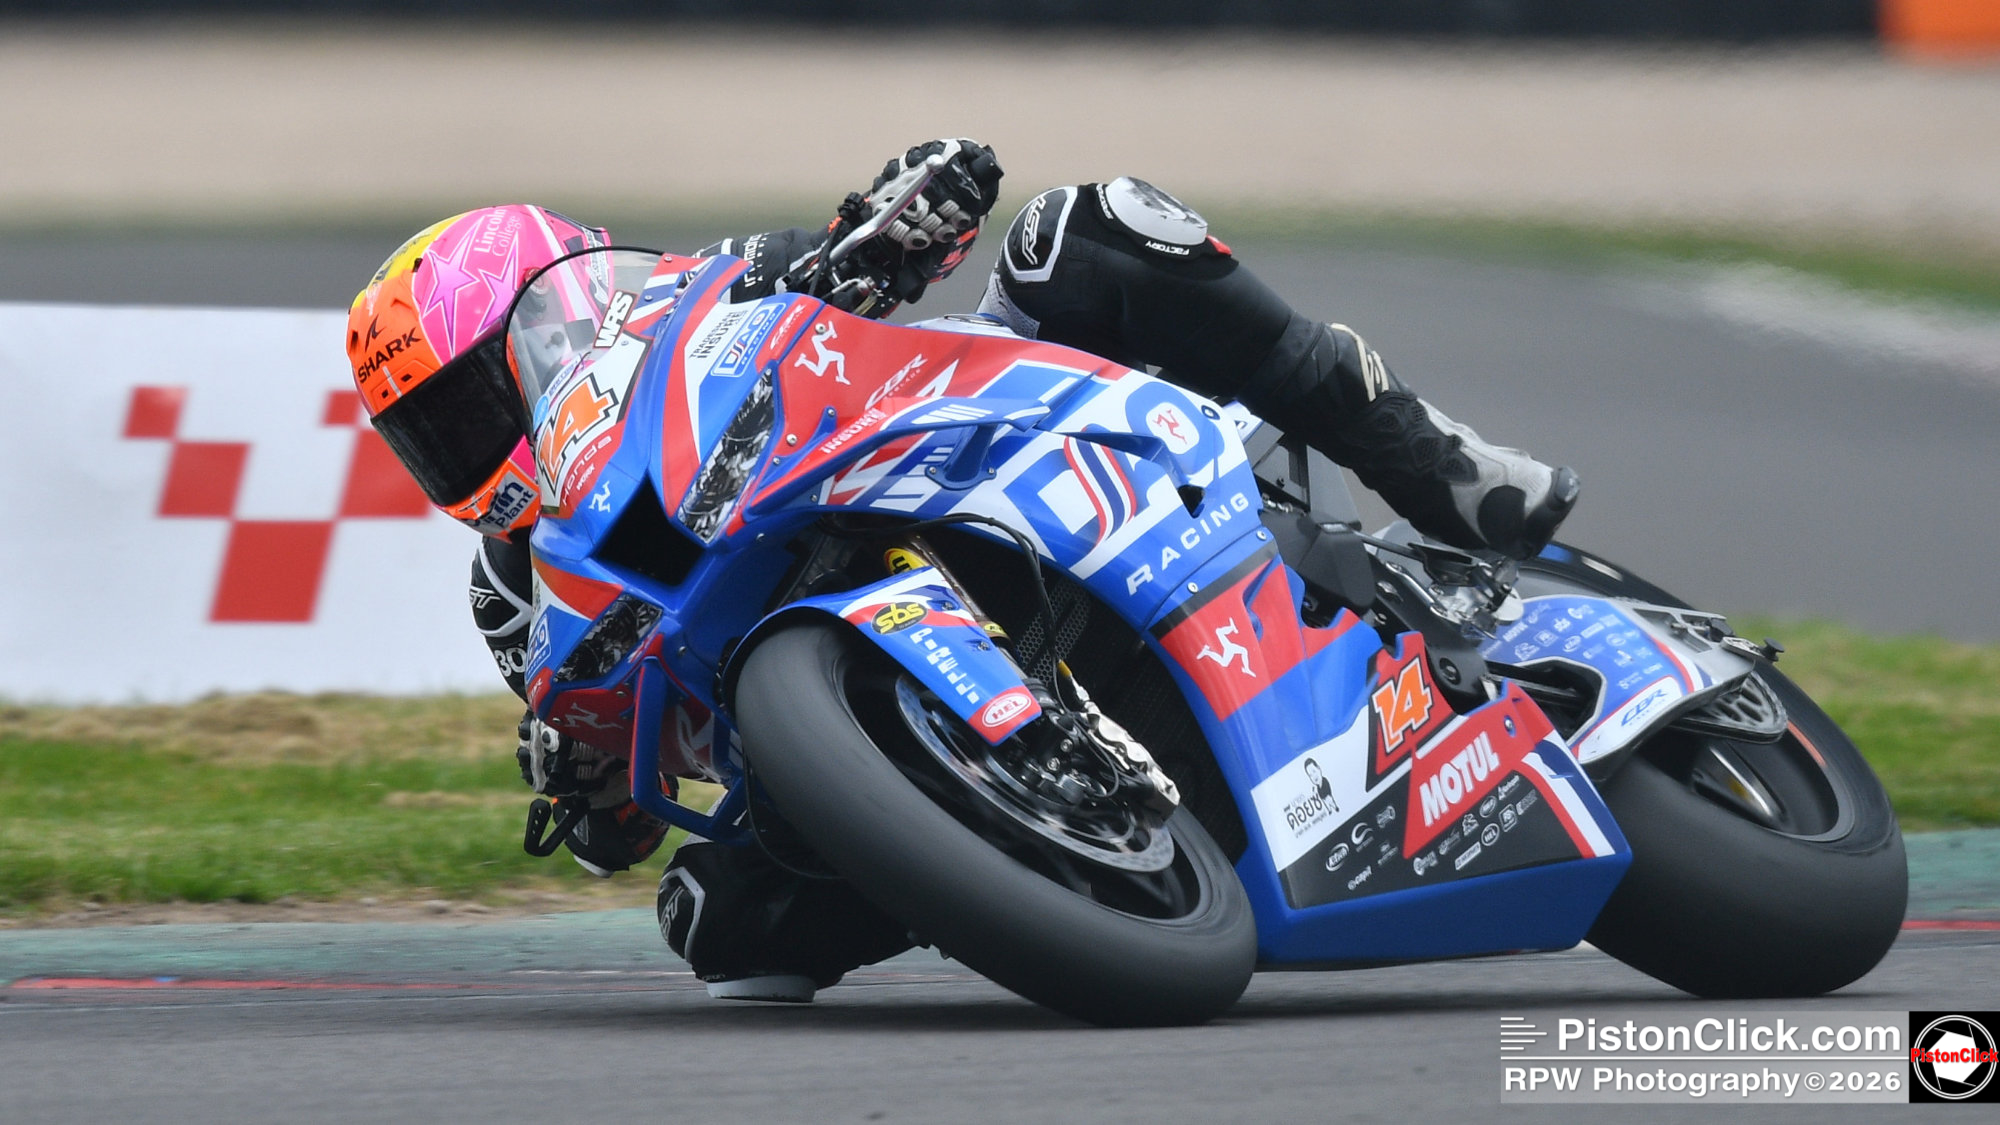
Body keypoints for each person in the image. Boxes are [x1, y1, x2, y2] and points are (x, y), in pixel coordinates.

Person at [344, 138, 1577, 1002]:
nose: (456, 448)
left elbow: (863, 243)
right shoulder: (511, 586)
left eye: (463, 405)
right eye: (426, 435)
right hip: (811, 699)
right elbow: (607, 828)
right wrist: (579, 774)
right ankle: (1015, 864)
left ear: (541, 325)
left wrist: (904, 209)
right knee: (720, 934)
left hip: (958, 465)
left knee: (1087, 231)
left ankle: (1437, 465)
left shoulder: (691, 287)